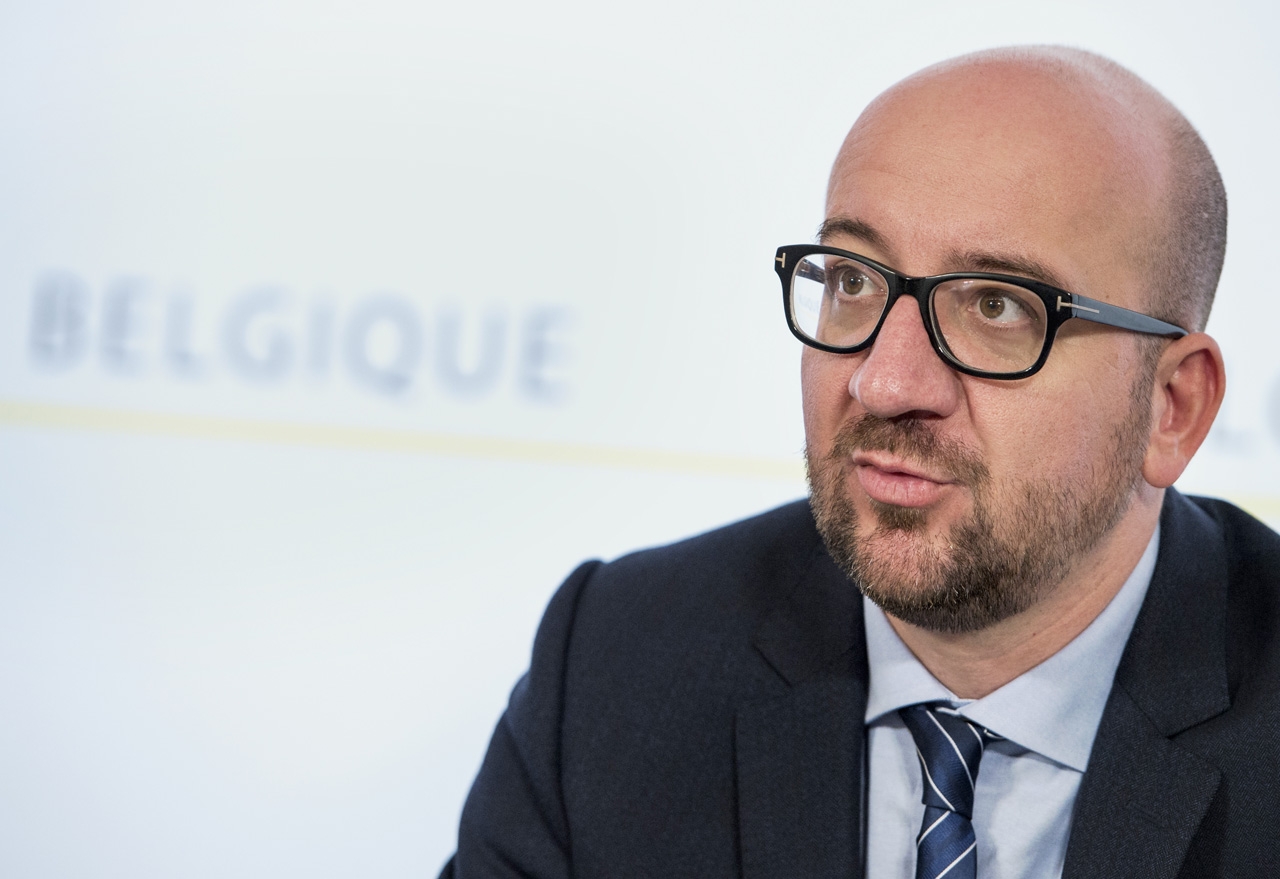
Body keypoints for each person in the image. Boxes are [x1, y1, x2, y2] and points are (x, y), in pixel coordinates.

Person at [440, 46, 1280, 879]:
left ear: (1173, 406)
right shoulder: (619, 664)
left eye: (997, 305)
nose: (884, 382)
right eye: (851, 280)